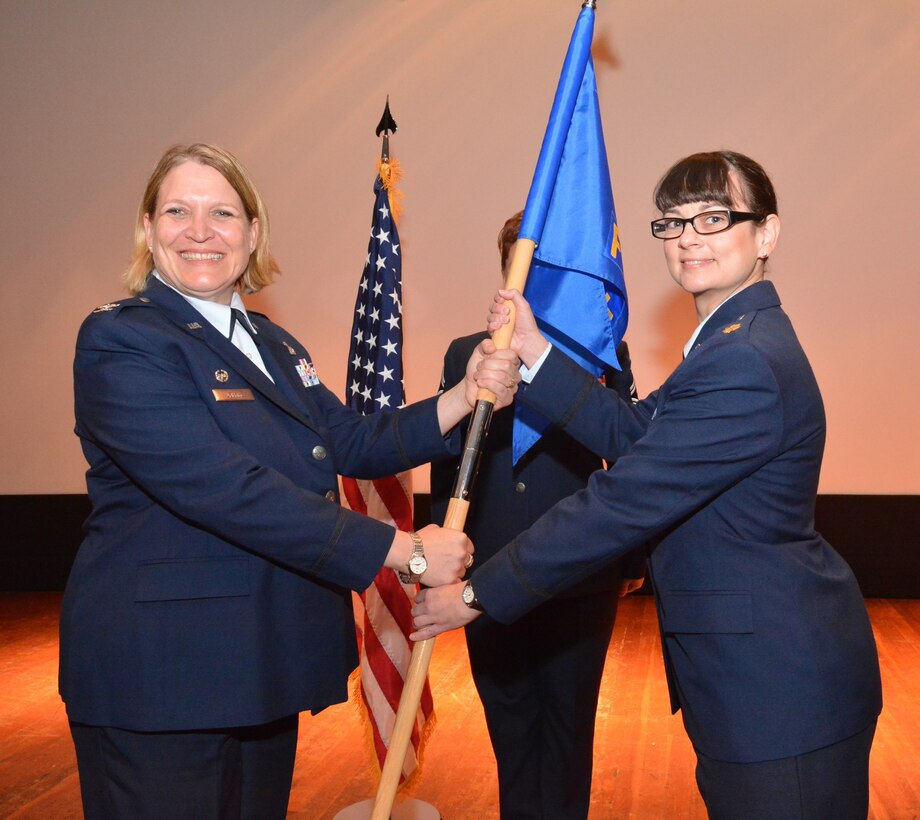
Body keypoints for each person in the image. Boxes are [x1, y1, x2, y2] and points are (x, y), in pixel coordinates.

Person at [412, 151, 883, 819]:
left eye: (715, 218)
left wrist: (477, 591)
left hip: (778, 689)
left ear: (766, 234)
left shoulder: (743, 358)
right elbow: (635, 434)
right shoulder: (726, 342)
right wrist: (539, 352)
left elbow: (622, 498)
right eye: (675, 222)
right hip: (759, 675)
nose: (690, 236)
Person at [59, 142, 520, 819]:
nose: (199, 231)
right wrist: (405, 552)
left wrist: (461, 395)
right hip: (161, 673)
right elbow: (223, 488)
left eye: (221, 213)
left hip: (257, 660)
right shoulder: (124, 341)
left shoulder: (272, 344)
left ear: (251, 233)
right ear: (149, 229)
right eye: (177, 211)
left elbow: (348, 440)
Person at [430, 211, 645, 819]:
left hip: (578, 578)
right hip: (488, 572)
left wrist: (631, 559)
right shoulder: (464, 355)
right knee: (511, 732)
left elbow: (627, 457)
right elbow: (450, 462)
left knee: (570, 733)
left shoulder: (604, 352)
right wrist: (445, 559)